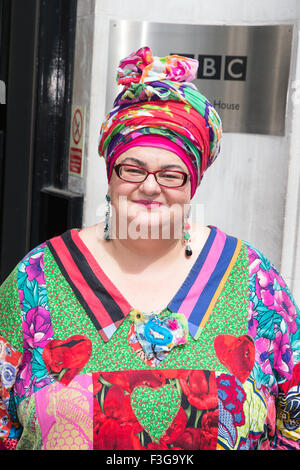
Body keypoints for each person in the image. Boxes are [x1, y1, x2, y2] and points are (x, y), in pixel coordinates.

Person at [0, 46, 300, 451]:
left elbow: (292, 426)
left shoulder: (253, 282)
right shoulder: (36, 281)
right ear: (110, 174)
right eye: (133, 168)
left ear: (193, 183)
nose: (150, 187)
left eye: (172, 173)